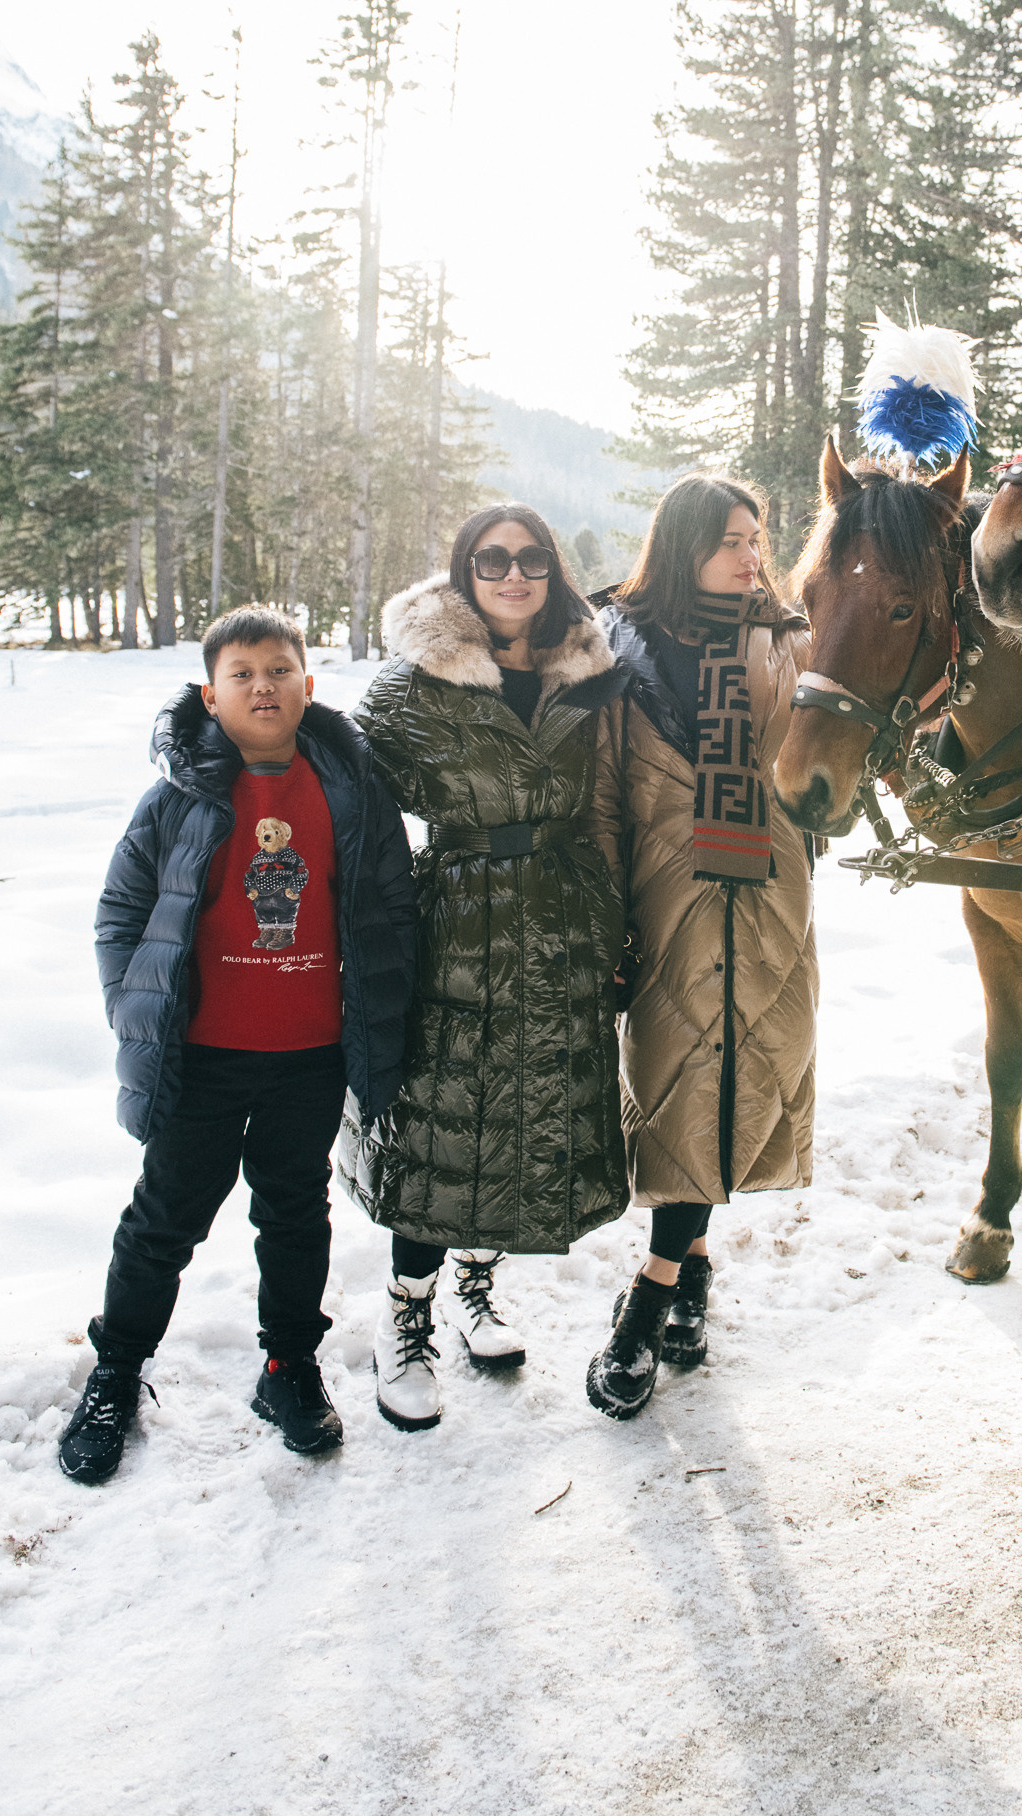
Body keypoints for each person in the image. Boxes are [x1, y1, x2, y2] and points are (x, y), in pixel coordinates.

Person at [58, 606, 418, 1485]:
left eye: (280, 669)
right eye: (243, 674)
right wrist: (140, 1010)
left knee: (294, 1213)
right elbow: (120, 914)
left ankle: (287, 1367)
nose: (264, 686)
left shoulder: (352, 791)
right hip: (202, 1060)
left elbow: (388, 912)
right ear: (210, 696)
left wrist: (378, 1022)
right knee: (163, 1221)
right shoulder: (180, 797)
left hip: (310, 1056)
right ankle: (117, 1373)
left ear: (308, 684)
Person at [339, 504, 628, 1430]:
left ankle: (474, 1289)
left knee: (514, 1113)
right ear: (464, 573)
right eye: (492, 559)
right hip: (454, 923)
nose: (513, 574)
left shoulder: (587, 676)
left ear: (553, 572)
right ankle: (404, 1319)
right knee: (444, 1125)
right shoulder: (411, 683)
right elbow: (342, 791)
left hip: (559, 917)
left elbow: (619, 800)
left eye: (531, 558)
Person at [584, 475, 819, 1419]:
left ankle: (646, 1300)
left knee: (734, 1079)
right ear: (681, 545)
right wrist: (602, 911)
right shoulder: (613, 642)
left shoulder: (789, 637)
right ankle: (693, 1270)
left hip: (766, 896)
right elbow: (599, 788)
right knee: (678, 1086)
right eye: (729, 539)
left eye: (756, 538)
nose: (749, 554)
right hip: (660, 894)